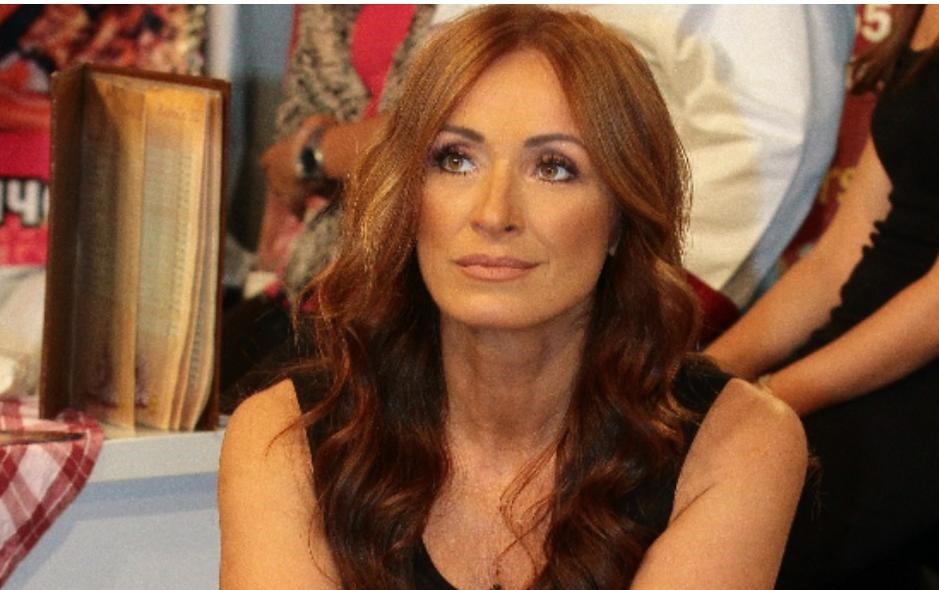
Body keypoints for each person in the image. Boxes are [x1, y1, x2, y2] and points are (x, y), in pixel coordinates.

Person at [219, 6, 807, 590]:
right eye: (455, 160)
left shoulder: (738, 440)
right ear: (408, 197)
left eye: (554, 168)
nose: (493, 213)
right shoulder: (286, 434)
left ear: (622, 217)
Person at [259, 4, 855, 333]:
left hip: (611, 317)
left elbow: (773, 140)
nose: (493, 211)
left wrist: (653, 316)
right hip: (416, 321)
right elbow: (450, 102)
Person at [706, 4, 939, 587]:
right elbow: (838, 258)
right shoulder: (931, 12)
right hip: (858, 356)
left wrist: (766, 401)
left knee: (718, 519)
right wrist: (701, 377)